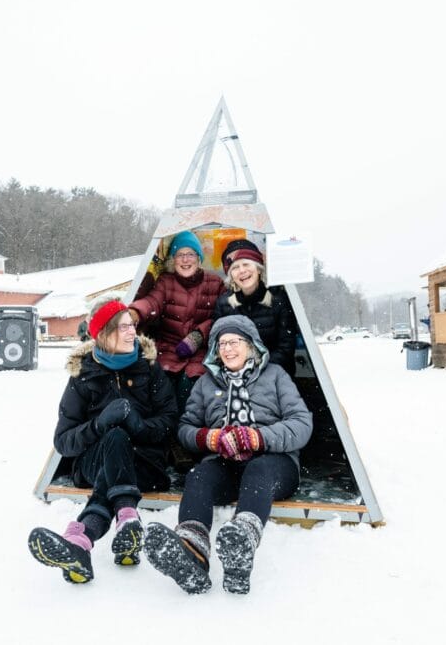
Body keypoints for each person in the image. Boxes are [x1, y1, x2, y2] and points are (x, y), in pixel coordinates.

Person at [143, 314, 313, 595]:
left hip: (275, 465)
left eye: (234, 342)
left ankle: (241, 544)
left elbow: (302, 424)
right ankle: (191, 551)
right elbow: (185, 428)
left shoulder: (275, 376)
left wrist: (257, 437)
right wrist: (209, 437)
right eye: (221, 344)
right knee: (199, 476)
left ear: (251, 345)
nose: (227, 349)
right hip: (225, 462)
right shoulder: (206, 383)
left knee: (259, 472)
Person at [28, 297, 177, 584]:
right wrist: (98, 425)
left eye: (132, 325)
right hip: (95, 462)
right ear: (104, 334)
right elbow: (64, 441)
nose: (132, 331)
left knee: (119, 442)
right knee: (114, 438)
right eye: (123, 327)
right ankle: (127, 517)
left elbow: (169, 420)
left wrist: (138, 425)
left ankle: (81, 539)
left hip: (145, 464)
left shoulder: (148, 367)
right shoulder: (83, 375)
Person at [128, 230, 226, 414]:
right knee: (161, 390)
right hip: (168, 350)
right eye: (180, 255)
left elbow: (222, 318)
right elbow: (152, 301)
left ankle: (185, 432)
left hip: (201, 352)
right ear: (174, 259)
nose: (185, 260)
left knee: (189, 388)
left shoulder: (215, 283)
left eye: (190, 254)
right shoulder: (166, 282)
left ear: (199, 258)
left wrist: (198, 336)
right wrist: (134, 313)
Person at [213, 239, 298, 377]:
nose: (242, 271)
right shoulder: (224, 304)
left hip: (274, 373)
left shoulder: (279, 300)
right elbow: (218, 347)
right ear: (231, 276)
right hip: (236, 374)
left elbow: (285, 348)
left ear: (258, 268)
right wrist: (240, 371)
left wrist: (257, 370)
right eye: (235, 267)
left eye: (246, 264)